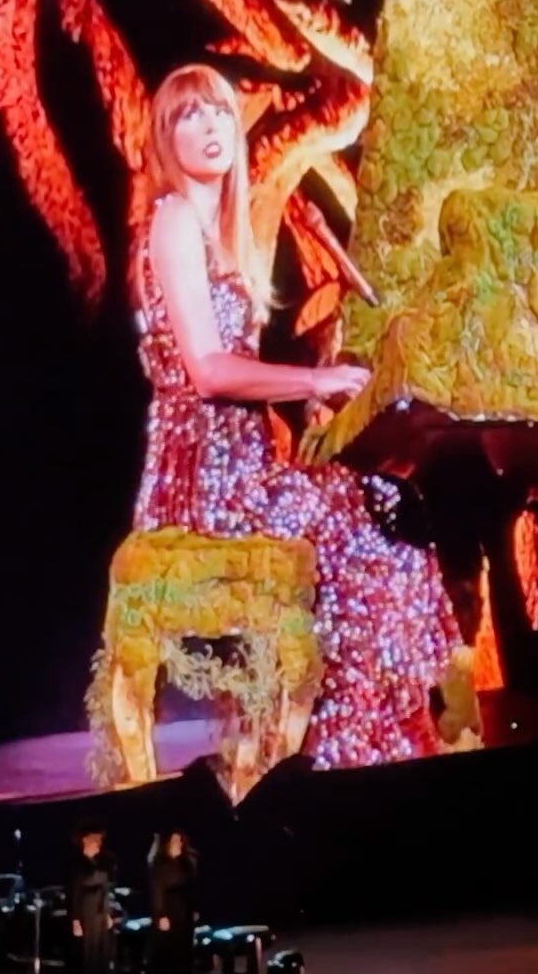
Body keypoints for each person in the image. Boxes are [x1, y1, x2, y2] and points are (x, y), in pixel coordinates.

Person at [132, 63, 463, 770]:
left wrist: (317, 390)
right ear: (163, 137)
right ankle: (342, 748)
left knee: (387, 505)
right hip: (203, 486)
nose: (211, 126)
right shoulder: (174, 220)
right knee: (365, 526)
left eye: (220, 111)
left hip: (246, 467)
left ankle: (372, 734)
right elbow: (208, 370)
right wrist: (312, 378)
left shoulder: (222, 235)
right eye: (189, 115)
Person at [148, 832, 198, 974]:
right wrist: (161, 914)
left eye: (180, 841)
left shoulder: (186, 863)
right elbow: (157, 890)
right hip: (168, 911)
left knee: (183, 952)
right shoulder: (160, 863)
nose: (178, 844)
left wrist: (195, 909)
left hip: (184, 913)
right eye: (175, 840)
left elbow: (193, 888)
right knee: (166, 952)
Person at [67, 829, 113, 974]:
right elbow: (74, 893)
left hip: (100, 913)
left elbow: (105, 890)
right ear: (85, 842)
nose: (98, 845)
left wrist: (107, 913)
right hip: (86, 914)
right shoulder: (77, 864)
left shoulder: (99, 863)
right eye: (94, 841)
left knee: (100, 951)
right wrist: (75, 920)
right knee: (87, 952)